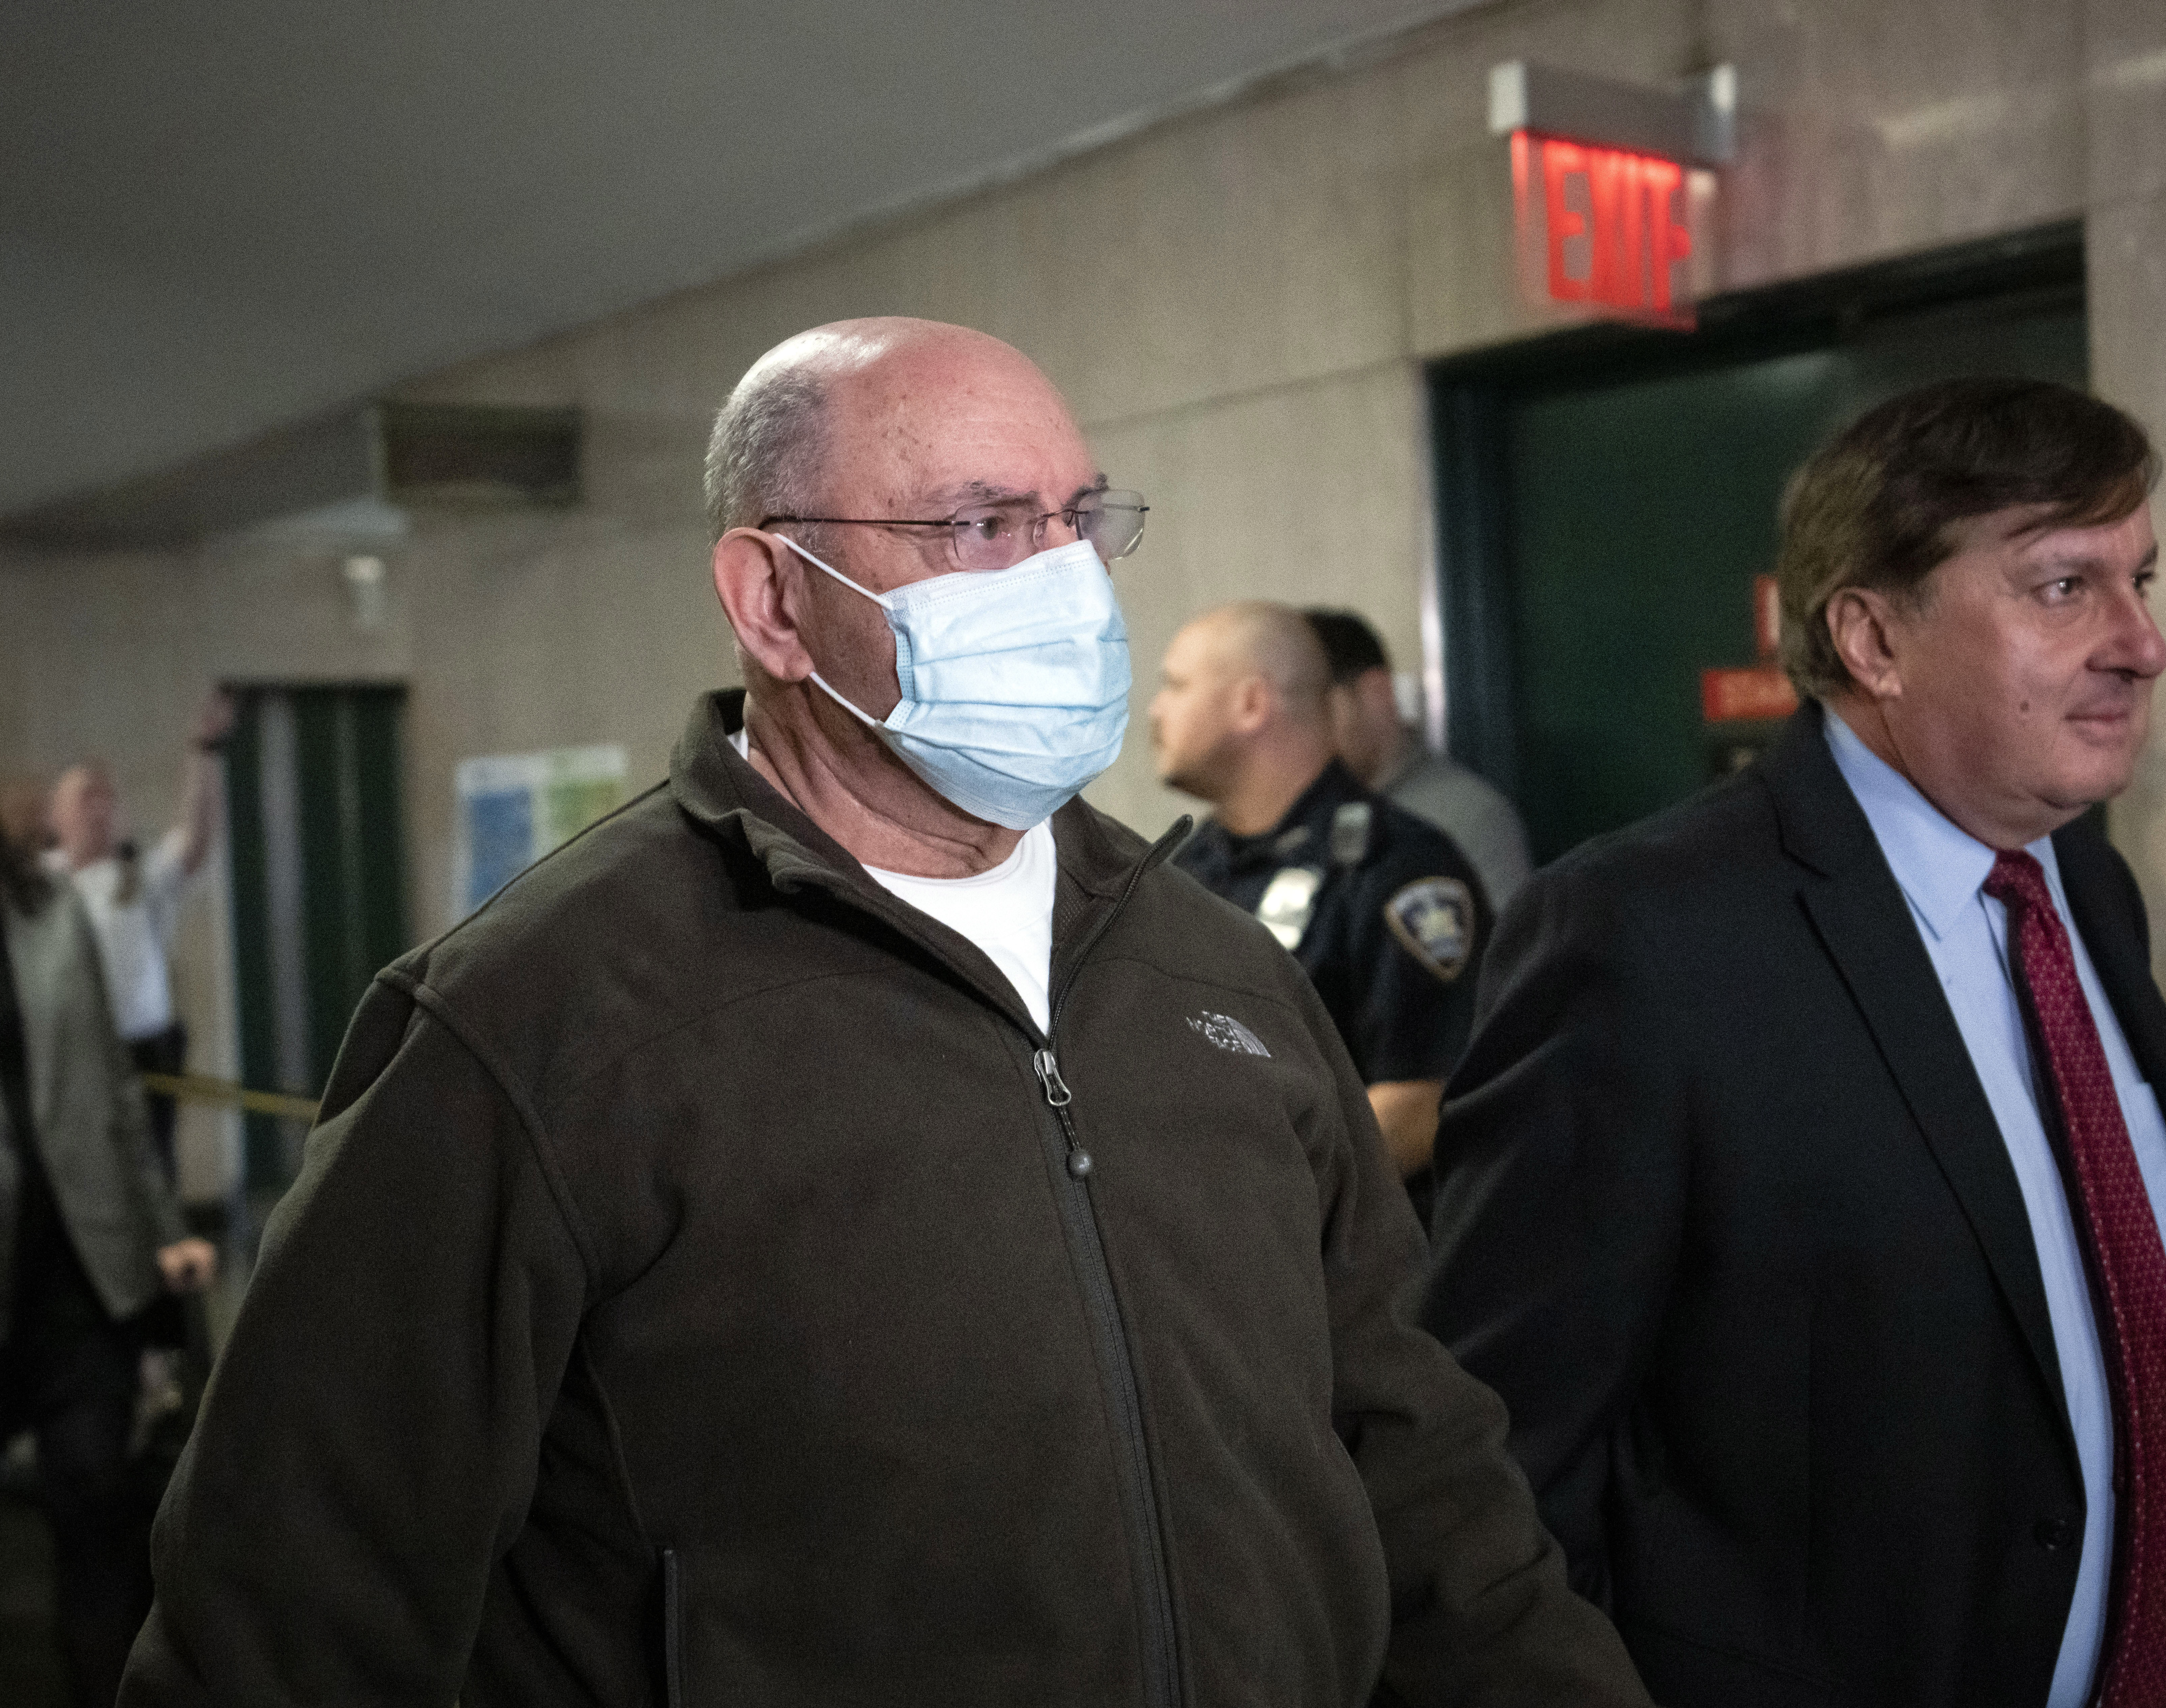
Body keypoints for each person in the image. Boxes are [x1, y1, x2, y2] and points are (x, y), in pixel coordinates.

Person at [123, 319, 1647, 1707]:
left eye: (1079, 519)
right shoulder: (540, 1025)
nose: (1064, 583)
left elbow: (1421, 1472)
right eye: (980, 526)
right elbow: (290, 1612)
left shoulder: (1216, 975)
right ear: (774, 598)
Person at [1422, 378, 2166, 1707]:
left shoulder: (2081, 887)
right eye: (2062, 586)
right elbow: (1493, 1460)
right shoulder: (1643, 938)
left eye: (2141, 581)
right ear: (1872, 637)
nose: (2142, 644)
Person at [1153, 602, 1489, 1209]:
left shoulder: (1398, 868)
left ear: (1252, 705)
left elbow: (1420, 1103)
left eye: (1176, 686)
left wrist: (1241, 1204)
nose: (1156, 712)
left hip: (1348, 1267)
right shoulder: (1187, 868)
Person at [0, 791, 216, 1707]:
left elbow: (117, 1092)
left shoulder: (53, 914)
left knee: (99, 1510)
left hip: (79, 1276)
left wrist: (165, 1229)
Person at [45, 690, 237, 1184]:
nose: (101, 808)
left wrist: (205, 751)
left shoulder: (137, 879)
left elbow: (196, 842)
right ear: (57, 816)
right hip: (74, 1057)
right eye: (87, 796)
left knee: (149, 1177)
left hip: (144, 1051)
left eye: (108, 796)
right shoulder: (43, 884)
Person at [1304, 608, 1533, 912]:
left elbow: (1508, 954)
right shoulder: (1301, 815)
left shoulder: (1467, 816)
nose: (1301, 731)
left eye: (1316, 706)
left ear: (1376, 692)